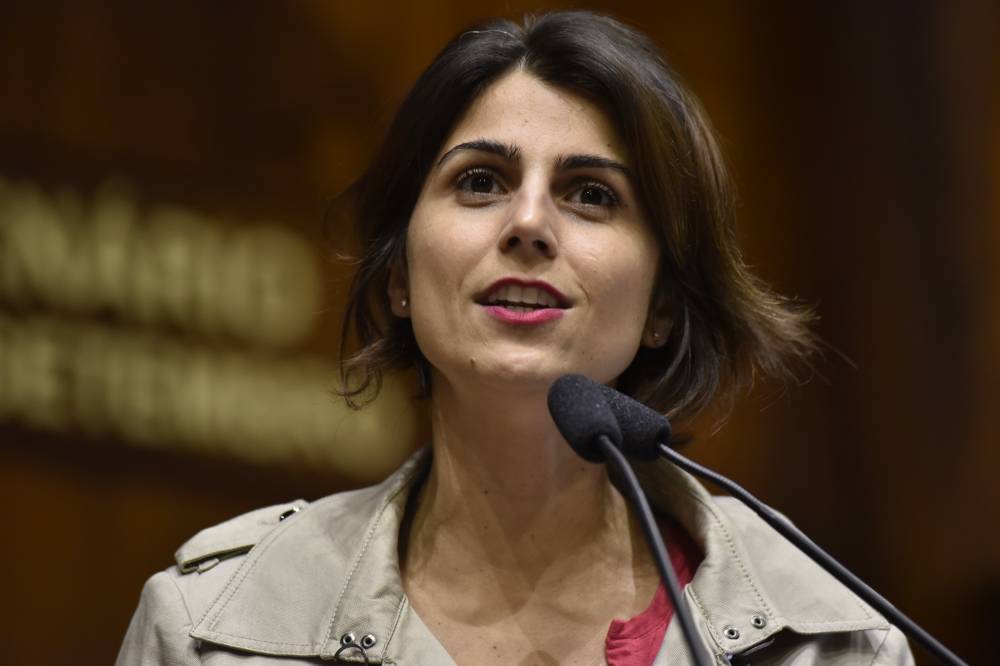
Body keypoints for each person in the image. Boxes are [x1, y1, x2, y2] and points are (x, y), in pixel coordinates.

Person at [119, 11, 914, 665]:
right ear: (397, 277)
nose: (528, 222)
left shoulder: (832, 647)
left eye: (591, 194)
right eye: (480, 182)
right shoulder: (211, 630)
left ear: (665, 305)